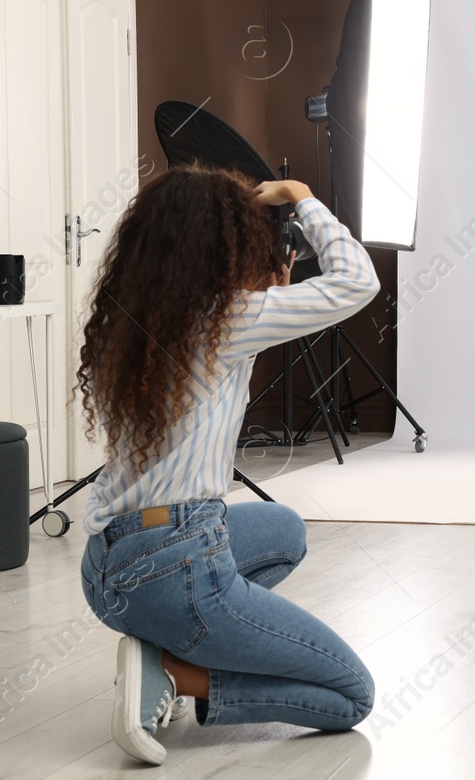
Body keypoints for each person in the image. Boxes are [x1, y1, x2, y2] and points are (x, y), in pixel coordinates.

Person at [77, 164, 378, 765]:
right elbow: (356, 282)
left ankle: (161, 646)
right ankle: (180, 675)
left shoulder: (133, 322)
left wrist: (269, 283)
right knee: (352, 696)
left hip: (107, 566)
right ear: (229, 247)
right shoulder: (232, 317)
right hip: (178, 566)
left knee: (283, 529)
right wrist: (303, 198)